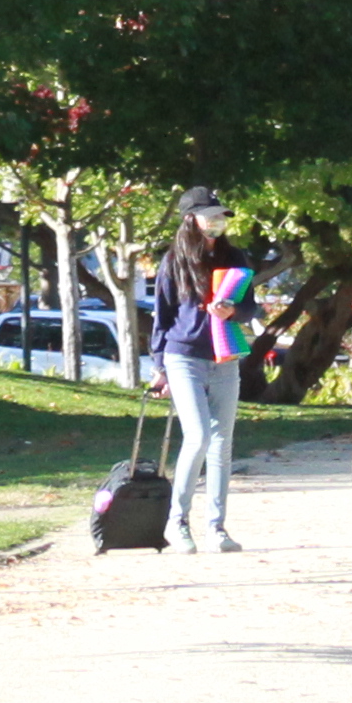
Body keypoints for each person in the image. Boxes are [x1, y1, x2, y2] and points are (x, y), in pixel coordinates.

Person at [144, 190, 254, 552]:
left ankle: (216, 528)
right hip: (183, 356)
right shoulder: (174, 260)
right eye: (210, 215)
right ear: (190, 219)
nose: (217, 222)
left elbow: (251, 308)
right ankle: (177, 522)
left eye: (221, 215)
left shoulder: (235, 258)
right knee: (198, 437)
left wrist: (232, 312)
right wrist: (160, 367)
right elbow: (162, 316)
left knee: (222, 444)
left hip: (225, 356)